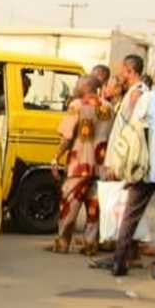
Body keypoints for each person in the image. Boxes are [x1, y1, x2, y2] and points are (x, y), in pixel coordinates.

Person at [93, 55, 155, 275]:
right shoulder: (138, 94)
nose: (119, 75)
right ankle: (123, 257)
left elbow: (134, 133)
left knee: (128, 211)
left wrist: (120, 164)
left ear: (130, 71)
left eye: (122, 71)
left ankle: (122, 259)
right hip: (143, 161)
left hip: (139, 163)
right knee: (128, 210)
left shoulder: (139, 95)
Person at [50, 76, 112, 254]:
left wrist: (56, 157)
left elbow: (67, 136)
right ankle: (90, 244)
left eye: (78, 84)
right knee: (93, 205)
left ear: (85, 86)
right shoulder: (108, 107)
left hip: (80, 163)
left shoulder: (77, 105)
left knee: (69, 202)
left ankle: (62, 242)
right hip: (100, 163)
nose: (75, 86)